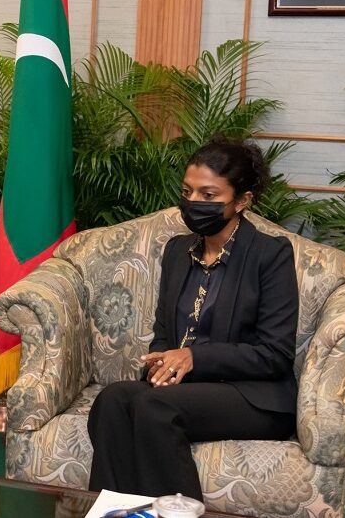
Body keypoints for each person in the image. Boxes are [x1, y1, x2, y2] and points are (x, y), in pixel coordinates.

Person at [86, 139, 299, 501]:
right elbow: (164, 331)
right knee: (113, 400)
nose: (193, 202)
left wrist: (195, 357)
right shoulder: (177, 251)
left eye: (208, 194)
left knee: (154, 408)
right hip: (188, 389)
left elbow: (275, 354)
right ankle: (118, 511)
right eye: (187, 192)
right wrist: (161, 361)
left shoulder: (270, 255)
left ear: (242, 200)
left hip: (253, 396)